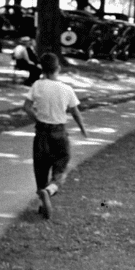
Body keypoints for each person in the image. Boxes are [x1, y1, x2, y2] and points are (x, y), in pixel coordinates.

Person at [22, 52, 89, 220]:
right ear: (58, 68)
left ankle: (42, 201)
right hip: (59, 132)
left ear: (42, 69)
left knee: (41, 167)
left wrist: (37, 118)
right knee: (61, 164)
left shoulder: (37, 85)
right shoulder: (66, 89)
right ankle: (50, 190)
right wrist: (83, 128)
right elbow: (75, 111)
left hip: (41, 132)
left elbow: (26, 107)